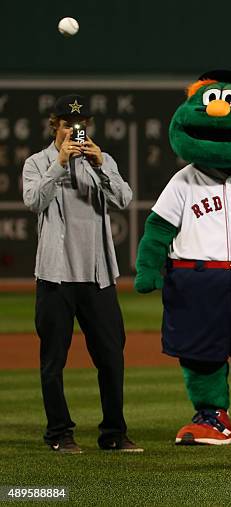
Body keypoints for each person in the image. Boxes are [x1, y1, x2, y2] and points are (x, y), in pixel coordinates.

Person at [22, 94, 142, 453]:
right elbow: (33, 202)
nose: (75, 131)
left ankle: (114, 434)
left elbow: (124, 199)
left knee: (111, 357)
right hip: (56, 277)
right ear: (54, 126)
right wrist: (58, 164)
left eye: (81, 125)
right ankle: (59, 433)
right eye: (67, 125)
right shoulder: (37, 162)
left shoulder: (100, 161)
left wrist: (102, 163)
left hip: (97, 275)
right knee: (53, 361)